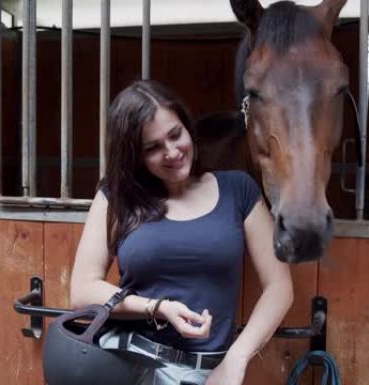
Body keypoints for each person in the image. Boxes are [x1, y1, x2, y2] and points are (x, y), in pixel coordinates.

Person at [69, 79, 293, 385]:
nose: (172, 152)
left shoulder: (237, 190)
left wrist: (235, 359)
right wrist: (158, 309)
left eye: (176, 135)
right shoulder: (118, 195)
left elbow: (279, 287)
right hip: (127, 363)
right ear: (135, 155)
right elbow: (82, 291)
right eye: (153, 147)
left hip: (206, 372)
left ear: (188, 128)